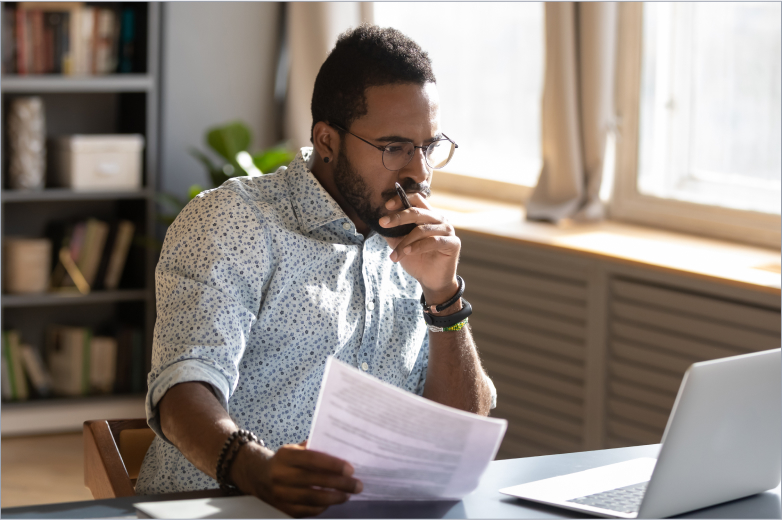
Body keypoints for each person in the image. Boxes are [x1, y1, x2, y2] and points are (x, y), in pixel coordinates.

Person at [135, 24, 496, 517]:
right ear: (327, 140)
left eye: (428, 147)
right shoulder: (234, 222)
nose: (419, 173)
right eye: (394, 148)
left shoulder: (416, 249)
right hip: (216, 509)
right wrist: (255, 469)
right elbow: (183, 386)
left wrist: (443, 297)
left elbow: (457, 435)